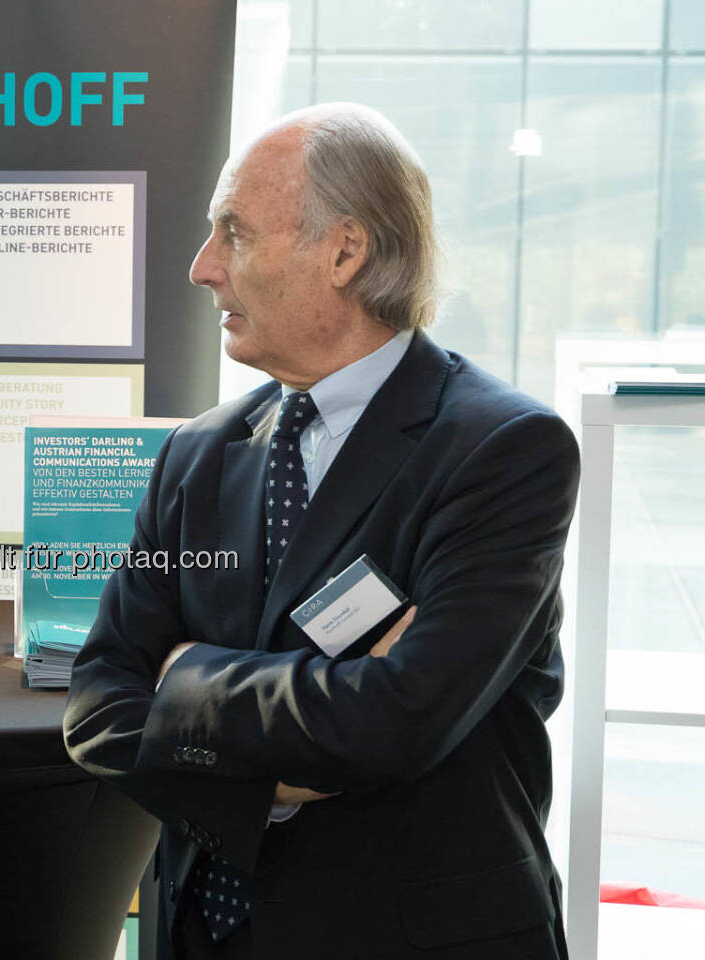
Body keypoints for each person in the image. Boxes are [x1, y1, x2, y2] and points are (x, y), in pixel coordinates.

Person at [63, 103, 578, 959]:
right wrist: (274, 782)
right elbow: (97, 704)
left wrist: (184, 678)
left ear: (345, 251)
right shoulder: (197, 453)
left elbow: (401, 719)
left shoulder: (504, 450)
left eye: (234, 233)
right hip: (205, 932)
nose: (201, 268)